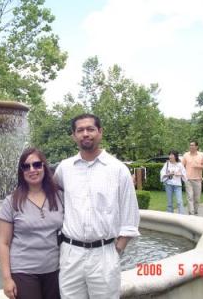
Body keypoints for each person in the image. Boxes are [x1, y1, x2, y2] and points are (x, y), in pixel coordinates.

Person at [54, 114, 140, 299]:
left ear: (100, 132)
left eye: (90, 129)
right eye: (80, 130)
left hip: (105, 254)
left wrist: (115, 250)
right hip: (70, 254)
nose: (85, 134)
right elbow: (54, 200)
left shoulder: (118, 170)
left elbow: (130, 216)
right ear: (73, 136)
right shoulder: (64, 169)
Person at [0, 147, 63, 299]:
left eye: (37, 165)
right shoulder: (11, 201)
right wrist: (7, 279)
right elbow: (3, 243)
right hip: (24, 271)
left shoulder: (59, 196)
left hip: (56, 269)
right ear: (21, 171)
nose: (32, 169)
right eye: (26, 166)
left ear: (44, 167)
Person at [182, 141, 203, 215]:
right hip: (188, 179)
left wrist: (198, 166)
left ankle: (195, 211)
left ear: (196, 147)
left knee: (197, 198)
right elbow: (181, 166)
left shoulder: (201, 155)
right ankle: (191, 213)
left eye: (193, 145)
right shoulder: (186, 155)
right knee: (190, 196)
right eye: (190, 145)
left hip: (198, 179)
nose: (191, 147)